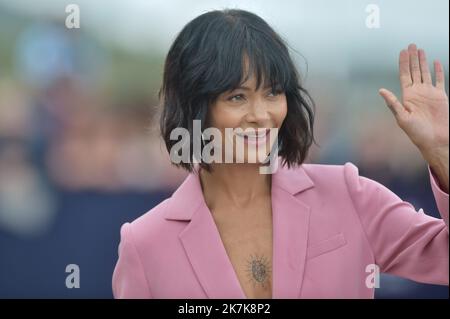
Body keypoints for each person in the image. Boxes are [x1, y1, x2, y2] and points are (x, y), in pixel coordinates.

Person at [112, 9, 448, 299]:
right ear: (194, 107)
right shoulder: (145, 243)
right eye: (237, 97)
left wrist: (442, 153)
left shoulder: (348, 194)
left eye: (272, 93)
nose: (261, 114)